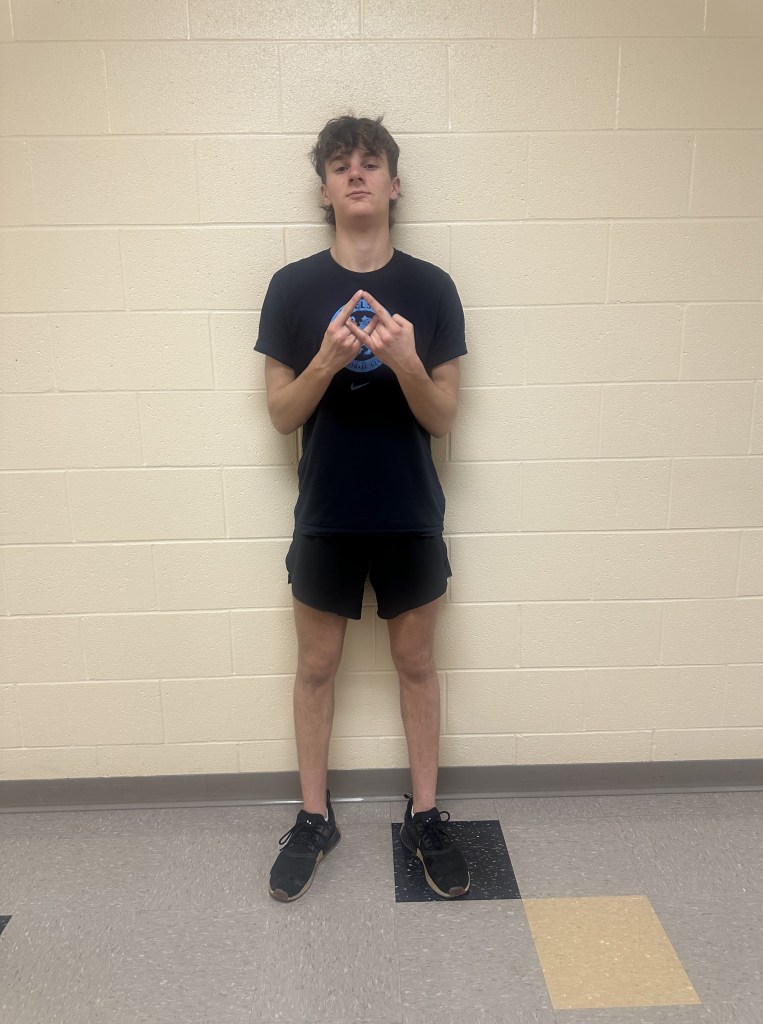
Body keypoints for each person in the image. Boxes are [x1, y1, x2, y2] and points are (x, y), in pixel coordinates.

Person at [254, 114, 470, 902]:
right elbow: (282, 415)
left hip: (410, 511)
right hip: (326, 514)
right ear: (324, 190)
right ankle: (315, 818)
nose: (356, 173)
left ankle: (426, 814)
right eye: (341, 164)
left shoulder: (432, 288)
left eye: (370, 162)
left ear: (394, 183)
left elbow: (443, 417)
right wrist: (325, 360)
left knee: (416, 666)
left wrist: (406, 362)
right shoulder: (291, 288)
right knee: (316, 668)